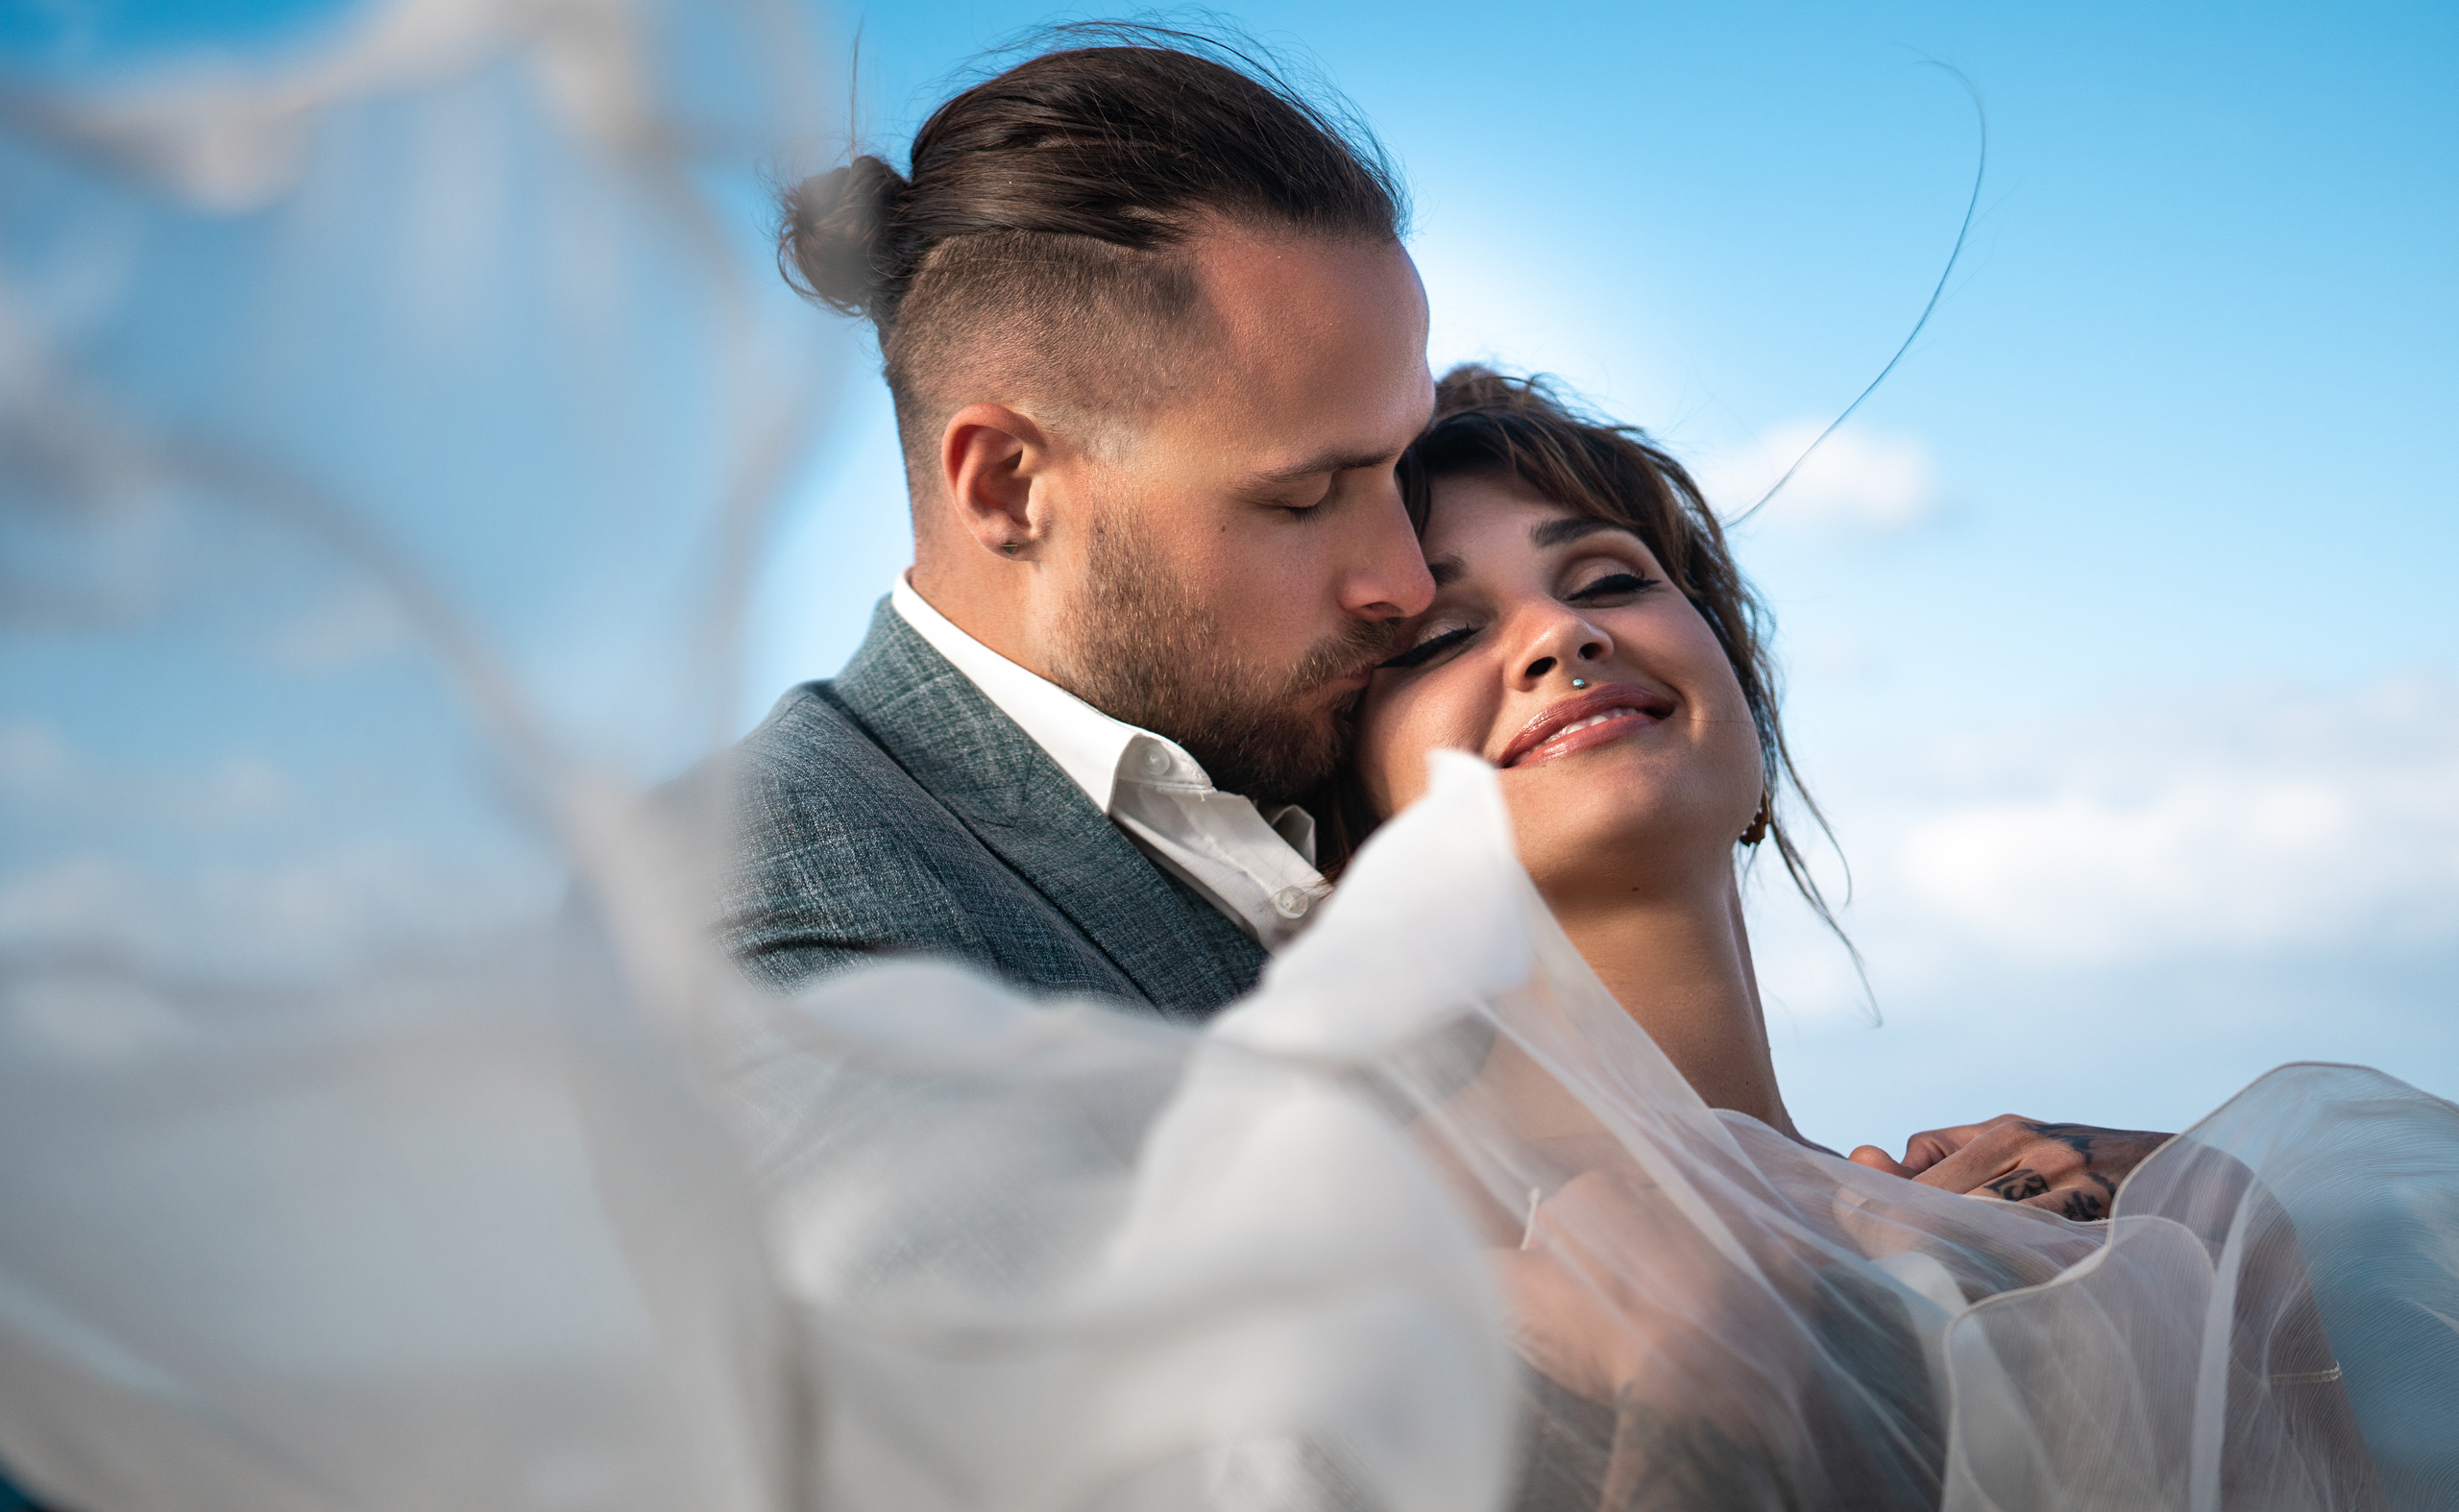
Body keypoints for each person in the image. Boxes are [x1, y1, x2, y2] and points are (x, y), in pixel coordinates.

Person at [1332, 365, 2455, 1505]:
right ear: (1341, 841)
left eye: (1611, 578)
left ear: (1752, 724)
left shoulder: (2036, 1222)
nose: (1562, 633)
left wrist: (2206, 1281)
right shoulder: (1382, 1277)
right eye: (1438, 637)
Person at [711, 37, 1433, 1019]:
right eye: (1301, 499)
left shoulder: (1371, 772)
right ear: (1008, 487)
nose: (1407, 580)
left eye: (1402, 468)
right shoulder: (764, 902)